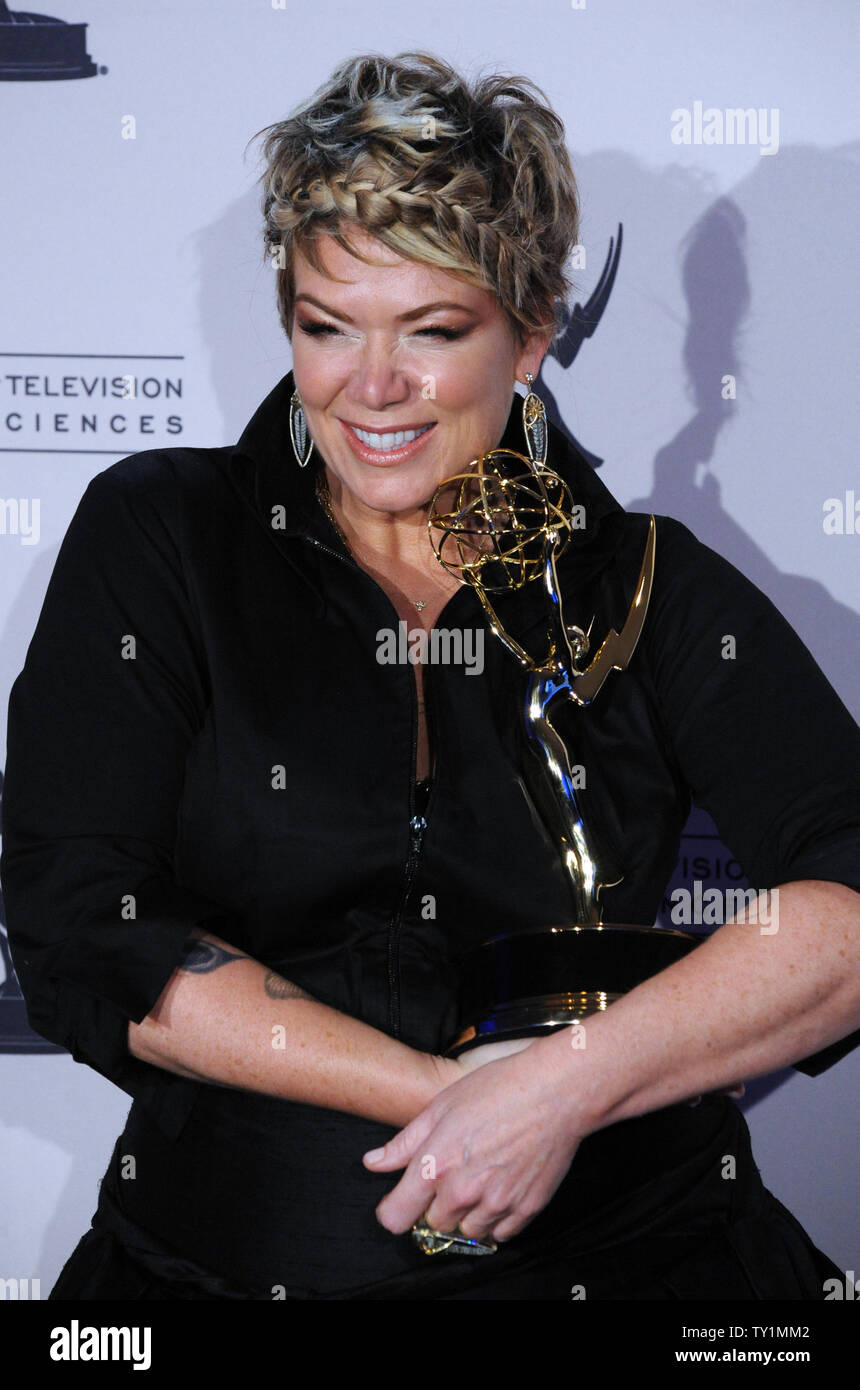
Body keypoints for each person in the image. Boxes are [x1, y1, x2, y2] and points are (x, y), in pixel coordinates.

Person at [2, 51, 859, 1302]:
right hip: (206, 1277)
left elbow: (845, 892)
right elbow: (84, 920)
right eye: (324, 326)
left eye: (433, 330)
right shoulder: (162, 536)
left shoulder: (649, 590)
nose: (371, 387)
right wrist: (460, 1105)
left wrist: (570, 1085)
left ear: (532, 333)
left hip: (638, 1269)